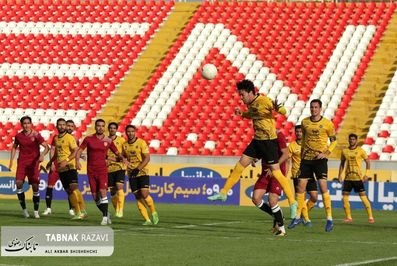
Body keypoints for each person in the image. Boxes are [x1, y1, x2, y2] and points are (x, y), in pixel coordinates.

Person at [208, 79, 297, 217]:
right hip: (257, 141)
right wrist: (242, 114)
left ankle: (292, 202)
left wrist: (279, 108)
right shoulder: (251, 104)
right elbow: (252, 114)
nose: (241, 98)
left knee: (277, 172)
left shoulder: (264, 101)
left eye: (242, 94)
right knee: (240, 165)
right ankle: (223, 193)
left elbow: (284, 112)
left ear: (250, 92)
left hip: (269, 142)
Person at [292, 99, 337, 232]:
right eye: (312, 107)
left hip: (319, 160)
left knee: (323, 187)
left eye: (316, 107)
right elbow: (304, 142)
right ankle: (298, 216)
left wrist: (327, 152)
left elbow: (334, 141)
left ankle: (329, 218)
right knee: (300, 187)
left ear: (320, 109)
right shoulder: (305, 122)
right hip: (306, 159)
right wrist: (301, 160)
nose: (313, 109)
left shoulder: (327, 124)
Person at [76, 119, 123, 225]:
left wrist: (122, 158)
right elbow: (79, 151)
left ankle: (105, 217)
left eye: (102, 126)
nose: (100, 127)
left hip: (102, 170)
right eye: (98, 125)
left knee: (103, 192)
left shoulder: (108, 140)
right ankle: (106, 213)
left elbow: (117, 152)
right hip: (91, 171)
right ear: (95, 127)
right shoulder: (88, 139)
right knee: (95, 197)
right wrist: (77, 161)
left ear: (104, 127)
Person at [8, 116, 49, 218]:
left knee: (35, 187)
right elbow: (14, 148)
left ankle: (36, 211)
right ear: (21, 125)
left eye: (28, 123)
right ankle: (24, 210)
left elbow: (47, 147)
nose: (26, 125)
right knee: (18, 184)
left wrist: (42, 155)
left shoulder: (36, 135)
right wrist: (11, 161)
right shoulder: (18, 136)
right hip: (22, 163)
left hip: (33, 164)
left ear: (31, 124)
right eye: (24, 123)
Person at [47, 118, 87, 220]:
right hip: (61, 168)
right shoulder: (56, 138)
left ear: (65, 126)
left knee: (74, 188)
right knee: (69, 191)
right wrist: (51, 161)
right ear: (56, 126)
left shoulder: (69, 137)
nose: (62, 126)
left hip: (70, 166)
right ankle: (78, 213)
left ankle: (83, 210)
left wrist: (67, 160)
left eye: (63, 125)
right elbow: (57, 152)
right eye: (59, 125)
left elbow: (76, 150)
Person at [251, 130, 289, 236]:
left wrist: (274, 168)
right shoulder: (260, 135)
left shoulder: (278, 135)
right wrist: (256, 159)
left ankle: (282, 230)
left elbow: (286, 154)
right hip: (265, 173)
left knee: (272, 201)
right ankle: (276, 215)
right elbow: (262, 151)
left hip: (277, 172)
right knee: (256, 198)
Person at [122, 125, 159, 225]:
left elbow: (147, 158)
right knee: (137, 196)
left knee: (144, 194)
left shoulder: (141, 143)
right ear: (126, 133)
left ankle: (153, 212)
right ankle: (147, 219)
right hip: (131, 173)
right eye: (128, 132)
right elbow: (123, 158)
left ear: (135, 132)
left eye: (132, 131)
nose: (130, 133)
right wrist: (109, 157)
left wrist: (138, 169)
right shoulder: (124, 145)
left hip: (142, 172)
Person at [338, 133, 374, 223]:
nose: (351, 141)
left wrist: (366, 174)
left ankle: (370, 216)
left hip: (358, 178)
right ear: (348, 140)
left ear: (356, 140)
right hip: (348, 178)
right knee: (345, 197)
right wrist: (340, 174)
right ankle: (348, 217)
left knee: (363, 197)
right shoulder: (344, 151)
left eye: (353, 139)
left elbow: (368, 162)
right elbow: (342, 163)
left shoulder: (361, 151)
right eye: (350, 139)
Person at [287, 125, 318, 228]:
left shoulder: (309, 144)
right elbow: (287, 161)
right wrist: (286, 174)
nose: (299, 133)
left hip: (309, 173)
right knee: (302, 197)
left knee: (314, 197)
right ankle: (307, 219)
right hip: (298, 174)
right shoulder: (291, 146)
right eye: (297, 132)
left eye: (300, 132)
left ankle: (300, 214)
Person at [107, 122, 126, 218]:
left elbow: (125, 154)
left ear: (116, 129)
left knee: (119, 187)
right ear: (108, 129)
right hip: (109, 169)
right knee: (112, 191)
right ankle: (117, 210)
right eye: (110, 128)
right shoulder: (104, 140)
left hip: (119, 167)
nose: (112, 129)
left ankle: (120, 209)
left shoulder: (121, 140)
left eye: (114, 128)